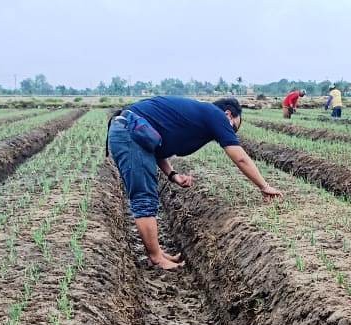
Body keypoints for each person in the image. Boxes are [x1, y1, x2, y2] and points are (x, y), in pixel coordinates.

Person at [108, 96, 284, 270]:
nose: (231, 132)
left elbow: (159, 148)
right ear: (228, 114)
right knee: (144, 198)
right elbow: (241, 158)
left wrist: (173, 175)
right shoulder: (216, 115)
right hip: (129, 132)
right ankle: (156, 258)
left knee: (146, 196)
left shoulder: (199, 117)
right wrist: (264, 186)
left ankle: (158, 253)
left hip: (134, 131)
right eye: (234, 127)